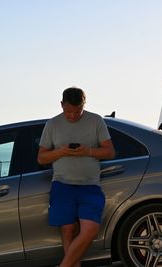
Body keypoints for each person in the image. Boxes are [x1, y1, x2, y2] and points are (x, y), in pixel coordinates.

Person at [37, 87, 115, 267]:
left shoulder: (96, 121)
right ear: (61, 104)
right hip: (62, 185)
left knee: (90, 229)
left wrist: (87, 151)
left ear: (83, 105)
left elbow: (110, 152)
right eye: (68, 111)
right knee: (68, 229)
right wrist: (62, 151)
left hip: (90, 186)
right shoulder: (52, 124)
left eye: (77, 111)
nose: (72, 116)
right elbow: (41, 158)